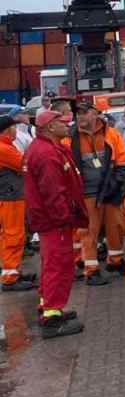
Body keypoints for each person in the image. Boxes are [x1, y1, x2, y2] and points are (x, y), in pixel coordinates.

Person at [24, 110, 88, 338]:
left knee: (53, 265)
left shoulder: (47, 149)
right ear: (50, 127)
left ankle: (50, 308)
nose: (66, 124)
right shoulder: (47, 154)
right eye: (61, 122)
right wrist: (65, 219)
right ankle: (52, 318)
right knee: (58, 266)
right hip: (54, 222)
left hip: (50, 221)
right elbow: (53, 192)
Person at [67, 98, 125, 283]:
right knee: (89, 232)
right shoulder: (70, 138)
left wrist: (116, 183)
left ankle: (116, 261)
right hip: (85, 194)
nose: (80, 116)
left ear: (95, 113)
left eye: (84, 112)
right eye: (78, 113)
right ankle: (91, 270)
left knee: (116, 227)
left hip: (109, 192)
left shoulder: (111, 135)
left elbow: (123, 161)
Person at [0, 116, 32, 292]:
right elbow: (25, 165)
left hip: (11, 197)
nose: (16, 131)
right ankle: (10, 278)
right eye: (14, 128)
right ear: (7, 130)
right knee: (13, 236)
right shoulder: (4, 148)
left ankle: (13, 272)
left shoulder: (6, 146)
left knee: (12, 235)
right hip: (10, 198)